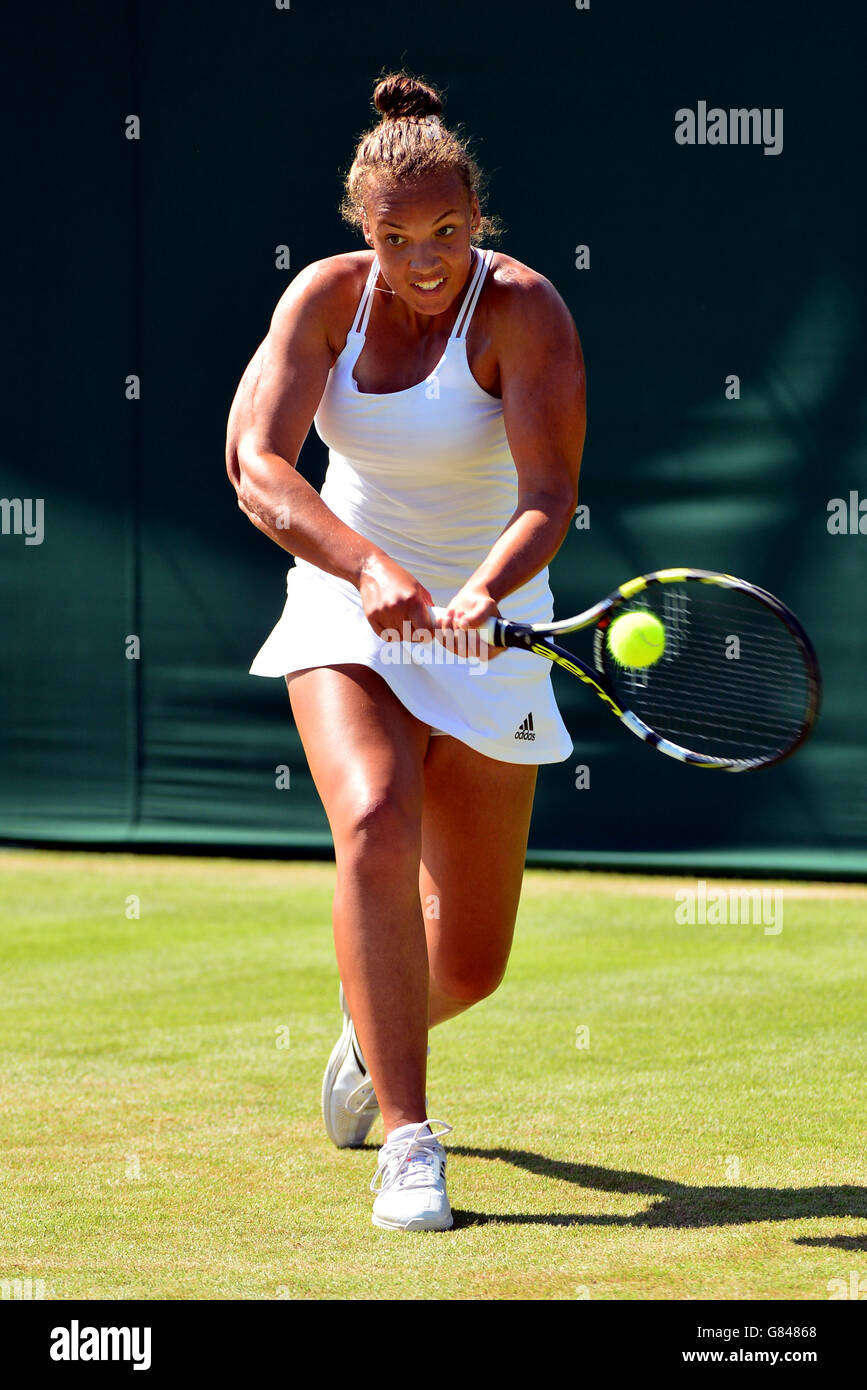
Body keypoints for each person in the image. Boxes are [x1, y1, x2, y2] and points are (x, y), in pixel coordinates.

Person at [225, 71, 586, 1231]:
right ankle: (412, 1148)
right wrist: (368, 569)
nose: (423, 260)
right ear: (360, 232)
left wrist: (480, 590)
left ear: (477, 218)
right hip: (350, 603)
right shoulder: (325, 302)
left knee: (472, 965)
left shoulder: (525, 309)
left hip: (492, 619)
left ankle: (372, 1026)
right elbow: (258, 466)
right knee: (375, 815)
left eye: (445, 233)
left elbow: (548, 492)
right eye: (394, 237)